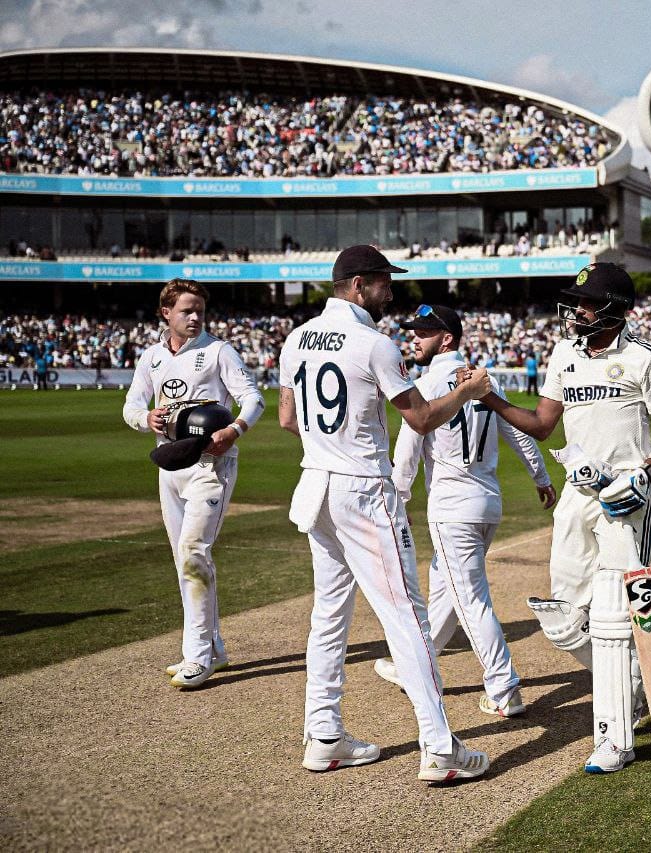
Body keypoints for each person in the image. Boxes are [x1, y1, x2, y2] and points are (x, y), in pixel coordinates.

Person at [278, 245, 493, 782]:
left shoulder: (294, 338)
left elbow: (286, 418)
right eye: (382, 283)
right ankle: (440, 748)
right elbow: (420, 419)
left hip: (315, 484)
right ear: (356, 286)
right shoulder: (374, 344)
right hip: (362, 492)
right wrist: (466, 391)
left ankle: (324, 735)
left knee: (329, 615)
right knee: (408, 619)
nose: (390, 292)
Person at [479, 262, 651, 774]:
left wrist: (646, 471)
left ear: (616, 309)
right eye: (576, 301)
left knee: (614, 616)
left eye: (587, 302)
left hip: (627, 498)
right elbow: (544, 426)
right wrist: (491, 399)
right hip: (578, 492)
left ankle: (615, 739)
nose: (577, 310)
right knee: (561, 615)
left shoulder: (645, 362)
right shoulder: (564, 354)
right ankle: (635, 682)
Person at [373, 304, 557, 719]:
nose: (414, 338)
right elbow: (519, 431)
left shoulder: (425, 384)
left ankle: (503, 686)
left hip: (452, 508)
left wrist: (398, 498)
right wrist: (541, 477)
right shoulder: (481, 380)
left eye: (423, 332)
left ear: (447, 338)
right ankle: (412, 667)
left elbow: (407, 450)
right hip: (487, 505)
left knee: (470, 599)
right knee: (445, 587)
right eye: (413, 331)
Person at [122, 278, 264, 689]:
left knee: (192, 552)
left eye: (200, 309)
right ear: (166, 313)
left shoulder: (219, 351)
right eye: (187, 310)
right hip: (170, 465)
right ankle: (213, 647)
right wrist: (144, 418)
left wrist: (234, 429)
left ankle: (197, 656)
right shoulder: (151, 358)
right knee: (182, 558)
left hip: (210, 466)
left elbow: (253, 398)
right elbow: (132, 404)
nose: (195, 316)